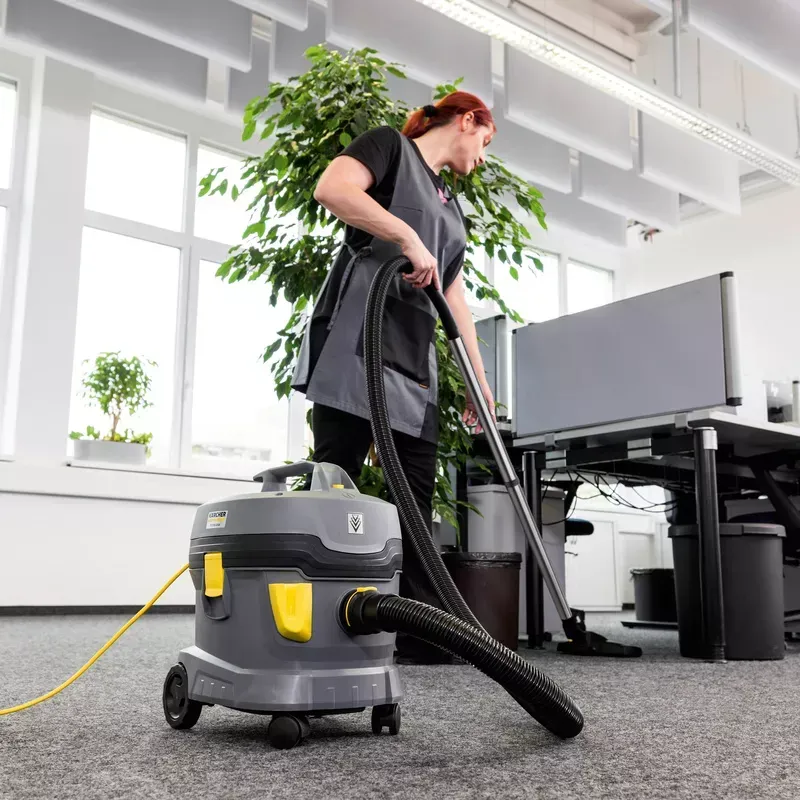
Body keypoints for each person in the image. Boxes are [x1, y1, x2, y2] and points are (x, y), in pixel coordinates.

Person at [291, 92, 497, 663]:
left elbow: (454, 296)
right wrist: (406, 237)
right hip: (357, 344)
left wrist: (479, 381)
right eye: (486, 140)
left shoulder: (451, 207)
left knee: (416, 497)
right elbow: (333, 189)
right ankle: (310, 617)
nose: (483, 154)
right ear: (467, 120)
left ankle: (421, 631)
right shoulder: (388, 147)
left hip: (412, 362)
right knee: (335, 484)